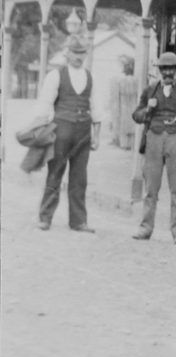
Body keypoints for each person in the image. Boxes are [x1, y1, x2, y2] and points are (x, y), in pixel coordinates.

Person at [131, 52, 176, 244]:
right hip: (154, 138)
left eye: (171, 69)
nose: (168, 73)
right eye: (164, 69)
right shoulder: (150, 91)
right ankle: (145, 228)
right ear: (159, 71)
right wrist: (147, 110)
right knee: (150, 189)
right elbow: (136, 115)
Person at [35, 36, 102, 232]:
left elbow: (97, 108)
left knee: (79, 178)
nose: (78, 57)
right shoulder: (56, 75)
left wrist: (96, 136)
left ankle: (78, 221)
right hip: (60, 131)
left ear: (86, 54)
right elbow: (46, 105)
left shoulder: (91, 77)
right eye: (75, 52)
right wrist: (44, 131)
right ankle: (45, 217)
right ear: (67, 53)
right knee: (55, 173)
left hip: (83, 132)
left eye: (82, 53)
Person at [108, 55, 137, 150]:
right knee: (128, 123)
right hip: (128, 103)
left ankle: (125, 143)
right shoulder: (126, 80)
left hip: (126, 103)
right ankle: (126, 143)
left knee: (126, 122)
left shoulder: (122, 80)